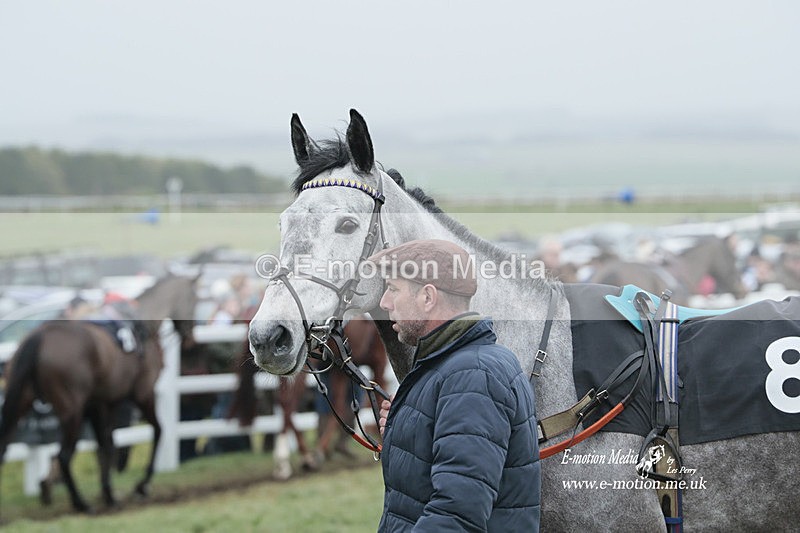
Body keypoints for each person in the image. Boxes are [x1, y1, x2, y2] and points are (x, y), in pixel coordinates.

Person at [369, 239, 540, 532]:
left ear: (427, 297)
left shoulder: (474, 374)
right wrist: (405, 430)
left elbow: (458, 513)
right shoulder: (453, 365)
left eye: (393, 289)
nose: (385, 302)